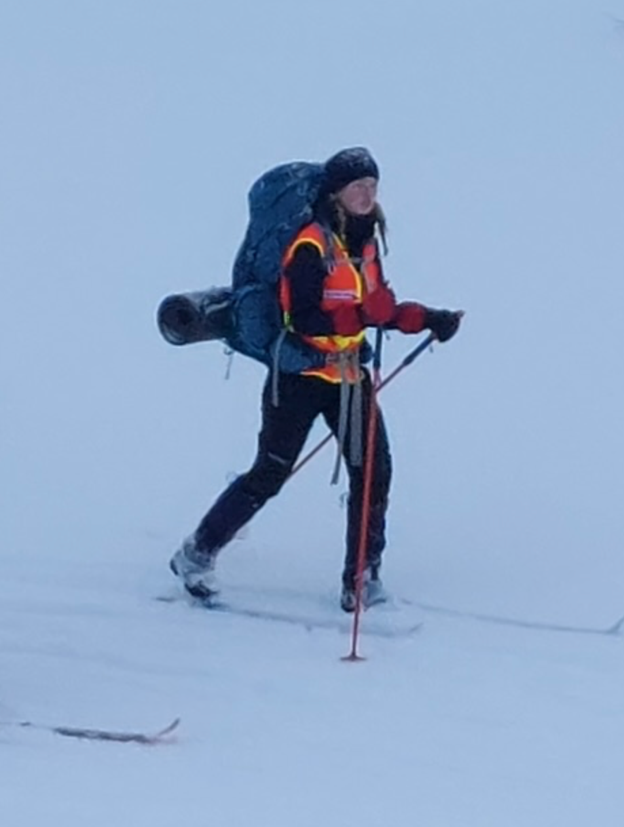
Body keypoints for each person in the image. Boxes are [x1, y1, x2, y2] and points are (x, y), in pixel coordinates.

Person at [170, 147, 462, 612]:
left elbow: (378, 308)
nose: (367, 195)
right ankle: (197, 553)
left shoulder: (364, 243)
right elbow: (303, 317)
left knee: (373, 472)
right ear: (336, 193)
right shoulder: (309, 244)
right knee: (270, 472)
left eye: (372, 187)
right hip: (298, 378)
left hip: (348, 377)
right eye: (357, 188)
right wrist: (364, 315)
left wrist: (428, 318)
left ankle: (361, 581)